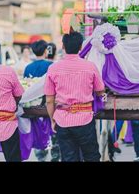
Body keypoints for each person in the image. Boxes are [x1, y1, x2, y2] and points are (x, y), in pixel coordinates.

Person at [44, 31, 106, 162]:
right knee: (92, 157)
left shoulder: (53, 68)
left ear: (63, 47)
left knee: (69, 158)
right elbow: (100, 91)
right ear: (80, 47)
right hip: (85, 119)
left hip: (62, 120)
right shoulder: (90, 66)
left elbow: (49, 100)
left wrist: (52, 120)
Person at [25, 41, 61, 162]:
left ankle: (41, 158)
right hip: (50, 106)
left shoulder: (28, 67)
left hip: (34, 109)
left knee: (39, 136)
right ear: (46, 51)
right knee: (55, 138)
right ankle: (55, 157)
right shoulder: (52, 66)